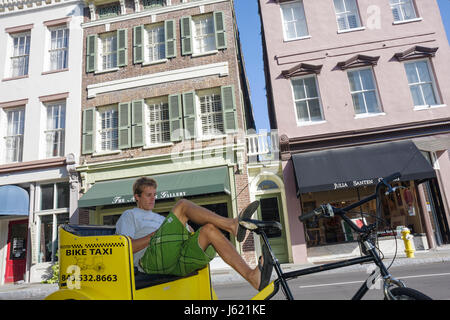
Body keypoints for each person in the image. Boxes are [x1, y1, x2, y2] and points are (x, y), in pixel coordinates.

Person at [115, 176, 272, 291]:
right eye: (148, 195)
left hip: (175, 258)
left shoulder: (159, 218)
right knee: (182, 205)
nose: (153, 199)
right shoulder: (129, 215)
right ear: (137, 196)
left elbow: (177, 235)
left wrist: (187, 231)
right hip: (149, 261)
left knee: (209, 230)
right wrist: (154, 236)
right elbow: (124, 248)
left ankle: (253, 277)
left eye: (154, 195)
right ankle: (232, 225)